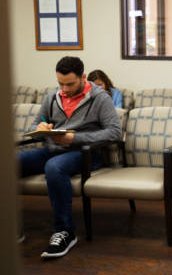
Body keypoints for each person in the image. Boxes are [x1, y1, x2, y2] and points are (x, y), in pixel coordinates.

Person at [18, 57, 122, 259]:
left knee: (54, 167)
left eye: (70, 84)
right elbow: (35, 124)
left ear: (83, 77)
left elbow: (115, 132)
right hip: (53, 149)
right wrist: (40, 128)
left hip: (86, 154)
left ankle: (64, 231)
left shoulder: (100, 98)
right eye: (60, 83)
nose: (64, 89)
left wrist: (75, 138)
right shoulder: (52, 97)